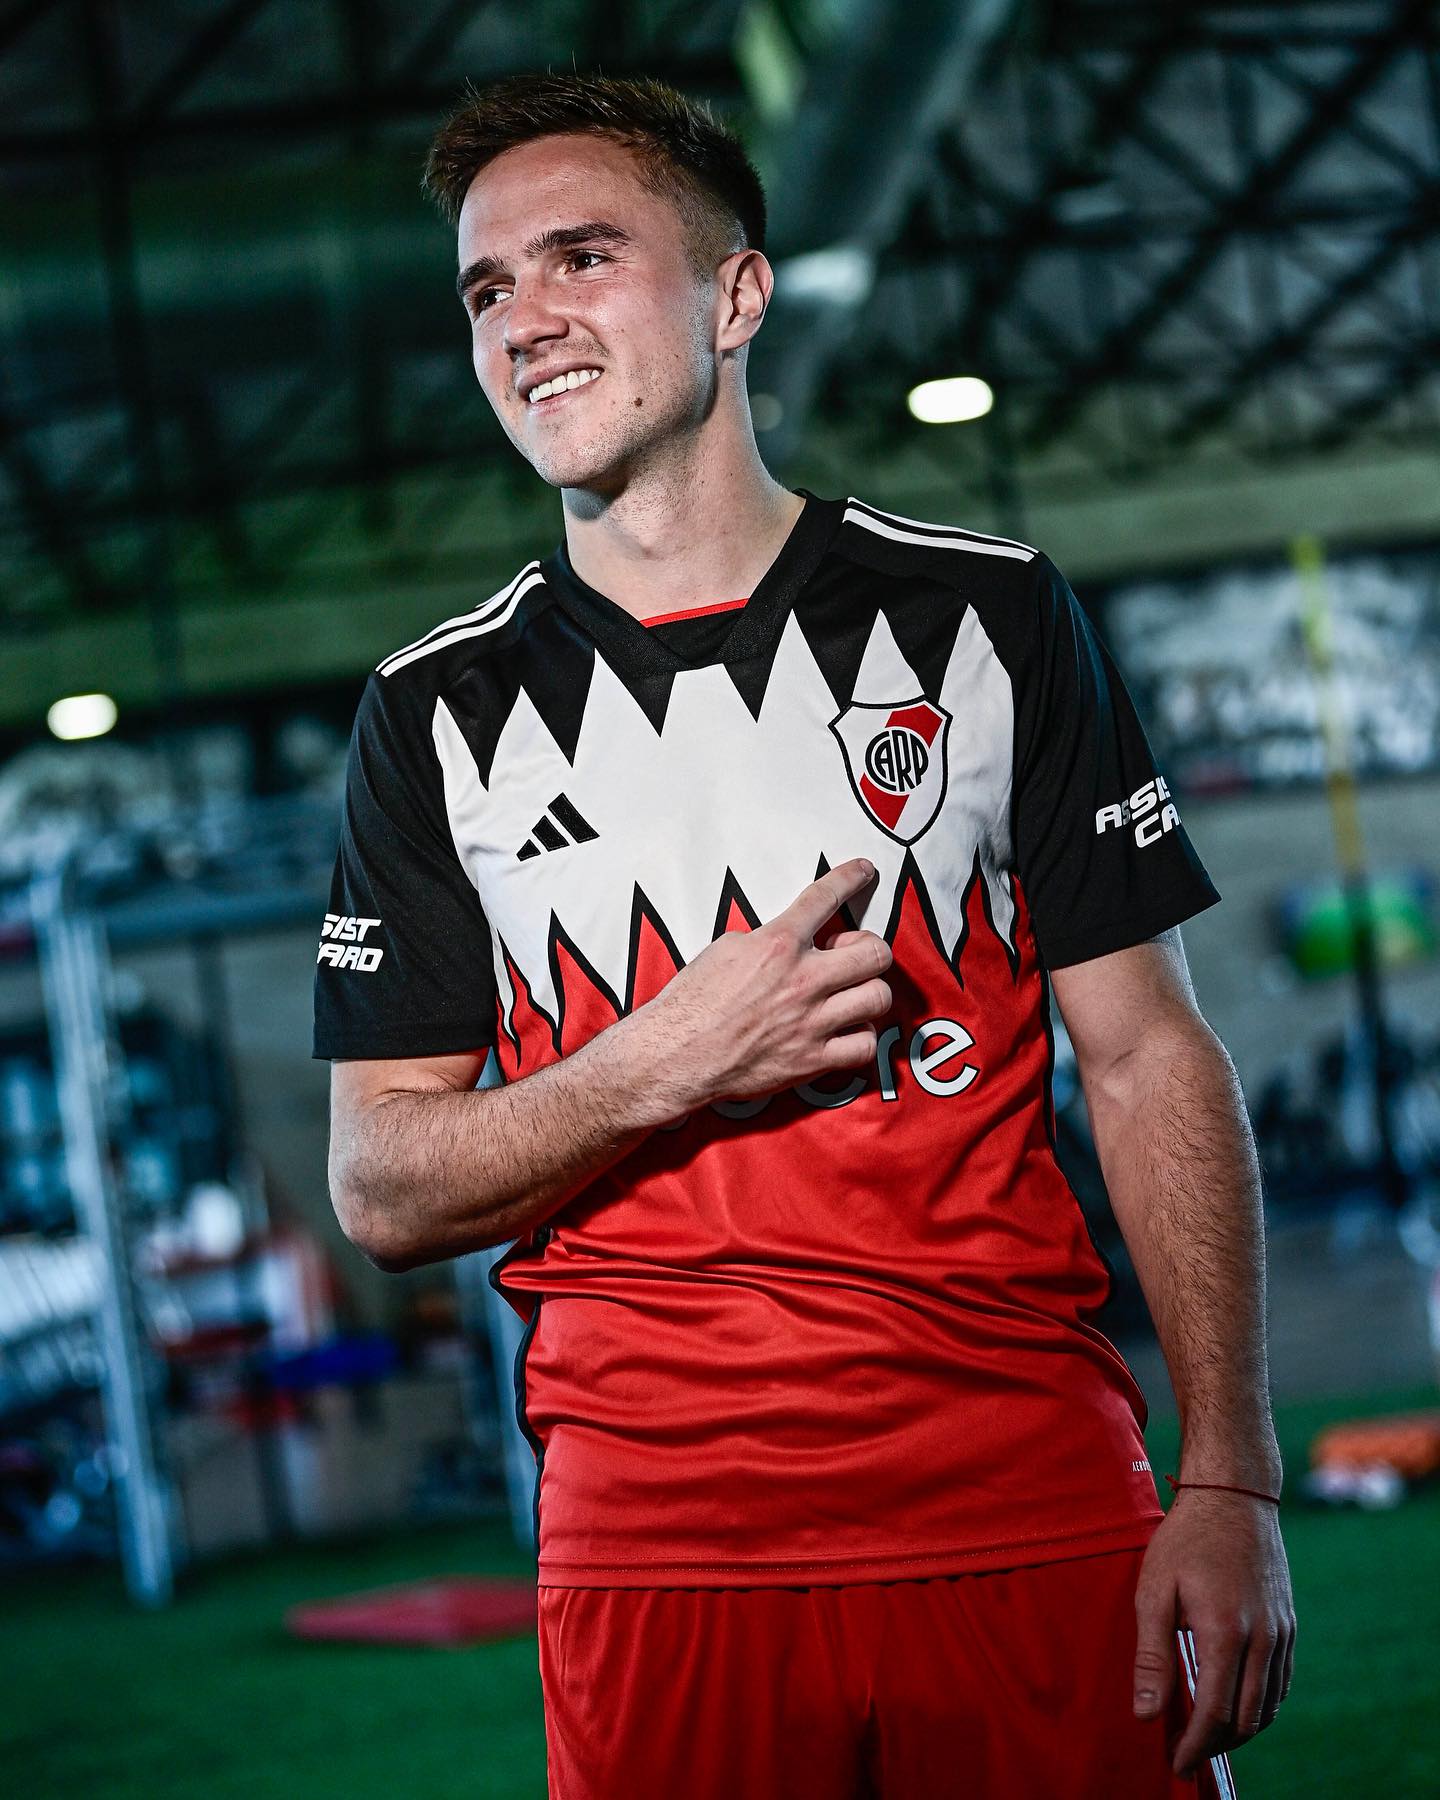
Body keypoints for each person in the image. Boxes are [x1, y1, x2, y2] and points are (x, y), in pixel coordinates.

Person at [314, 71, 1294, 1800]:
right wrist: (666, 1061)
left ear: (738, 295)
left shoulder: (988, 615)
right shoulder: (431, 712)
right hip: (656, 1552)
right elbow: (382, 1187)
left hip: (1031, 1499)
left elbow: (1149, 1055)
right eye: (485, 289)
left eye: (581, 257)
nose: (524, 319)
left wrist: (1234, 1475)